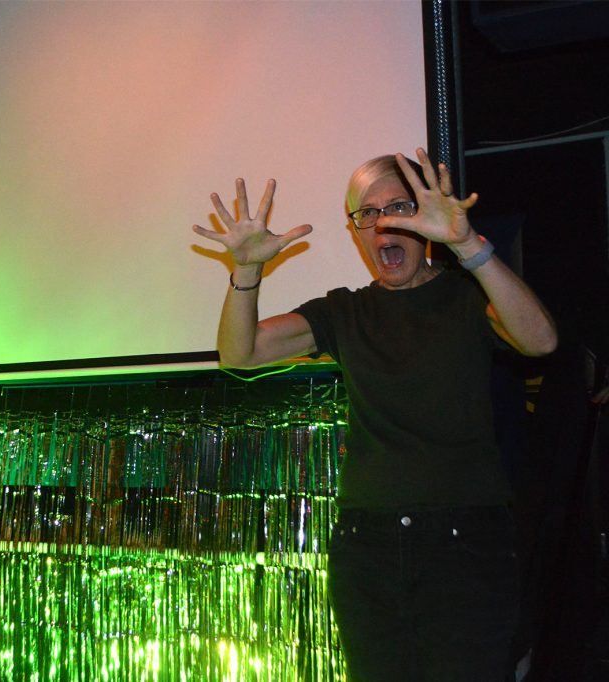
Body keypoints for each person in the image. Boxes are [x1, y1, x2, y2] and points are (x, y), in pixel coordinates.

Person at [193, 148, 558, 681]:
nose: (384, 223)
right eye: (369, 214)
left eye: (400, 208)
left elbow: (540, 339)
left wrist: (467, 245)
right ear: (356, 230)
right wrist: (246, 271)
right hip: (368, 548)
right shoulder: (345, 311)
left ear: (425, 223)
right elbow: (239, 352)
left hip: (466, 546)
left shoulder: (466, 297)